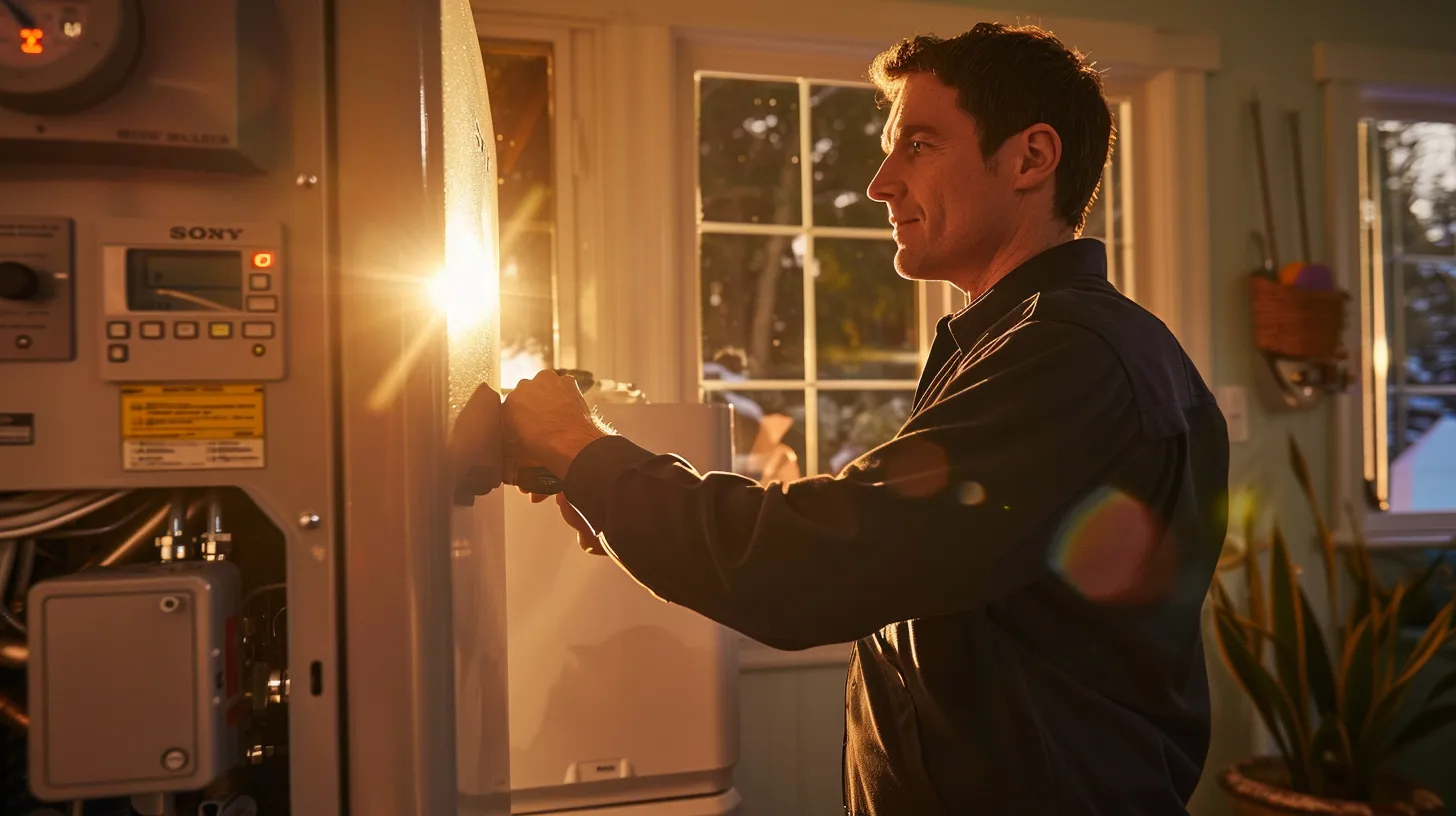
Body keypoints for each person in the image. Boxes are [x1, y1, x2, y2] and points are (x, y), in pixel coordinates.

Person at [497, 22, 1229, 815]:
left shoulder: (1070, 356)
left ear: (1031, 158)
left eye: (919, 144)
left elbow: (820, 563)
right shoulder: (1023, 345)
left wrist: (582, 449)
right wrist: (608, 490)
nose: (881, 182)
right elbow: (900, 556)